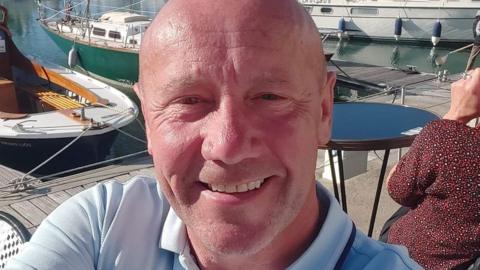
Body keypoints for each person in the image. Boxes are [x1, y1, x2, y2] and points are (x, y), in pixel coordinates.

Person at [7, 0, 422, 269]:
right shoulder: (102, 226)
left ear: (324, 111)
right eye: (188, 101)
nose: (227, 145)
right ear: (149, 120)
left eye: (269, 96)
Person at [383, 69, 480, 269]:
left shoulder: (445, 138)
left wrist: (455, 113)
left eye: (470, 75)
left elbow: (397, 190)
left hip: (410, 257)